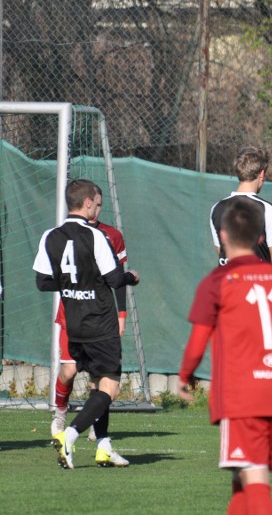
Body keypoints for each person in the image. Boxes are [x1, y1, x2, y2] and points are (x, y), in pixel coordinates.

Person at [178, 198, 272, 514]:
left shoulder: (219, 280)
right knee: (243, 478)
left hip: (244, 395)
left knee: (255, 478)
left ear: (223, 236)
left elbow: (199, 337)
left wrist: (186, 376)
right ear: (261, 238)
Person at [33, 179, 140, 469]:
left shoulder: (50, 236)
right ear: (88, 202)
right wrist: (131, 276)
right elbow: (115, 279)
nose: (97, 206)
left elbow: (42, 281)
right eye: (97, 201)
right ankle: (69, 434)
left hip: (75, 323)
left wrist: (72, 284)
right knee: (110, 388)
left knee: (96, 385)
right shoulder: (95, 236)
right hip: (100, 322)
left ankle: (104, 447)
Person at [210, 146, 272, 269]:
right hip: (259, 285)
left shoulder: (216, 208)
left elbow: (222, 253)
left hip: (228, 283)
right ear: (261, 174)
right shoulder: (268, 210)